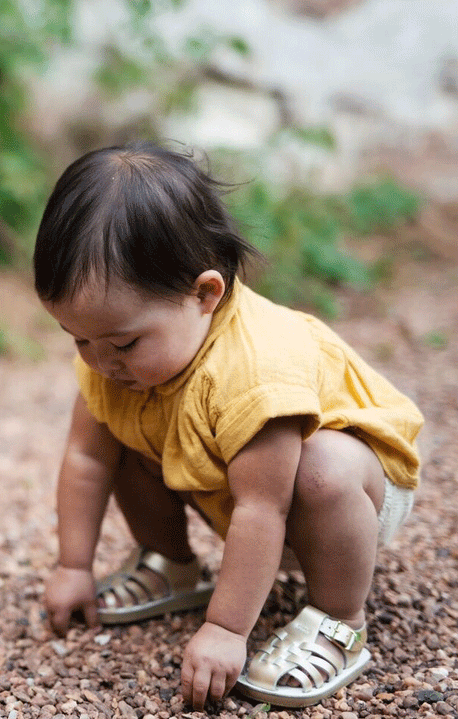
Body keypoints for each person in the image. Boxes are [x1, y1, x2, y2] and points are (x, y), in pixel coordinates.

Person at [34, 142, 423, 710]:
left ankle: (341, 621)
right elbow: (87, 460)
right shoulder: (113, 363)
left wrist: (227, 629)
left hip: (349, 493)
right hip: (235, 490)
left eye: (123, 342)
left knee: (320, 466)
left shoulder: (256, 370)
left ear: (204, 293)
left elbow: (263, 508)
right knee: (117, 433)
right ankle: (171, 563)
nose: (100, 360)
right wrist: (73, 564)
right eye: (79, 339)